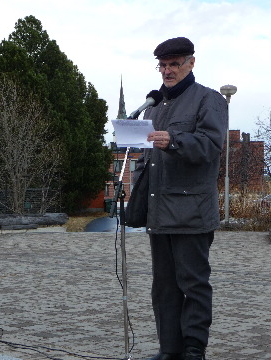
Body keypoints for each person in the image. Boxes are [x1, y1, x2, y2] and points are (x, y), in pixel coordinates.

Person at [131, 37, 228, 360]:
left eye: (174, 64)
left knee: (193, 285)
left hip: (192, 213)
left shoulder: (209, 100)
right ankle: (168, 351)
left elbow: (210, 147)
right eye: (163, 65)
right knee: (164, 289)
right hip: (160, 214)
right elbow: (148, 159)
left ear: (191, 63)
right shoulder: (156, 107)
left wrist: (173, 141)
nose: (168, 71)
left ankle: (193, 351)